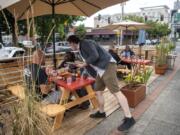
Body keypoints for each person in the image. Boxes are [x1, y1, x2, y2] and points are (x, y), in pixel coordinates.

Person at [67, 35, 135, 131]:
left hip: (108, 66)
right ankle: (101, 112)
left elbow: (95, 55)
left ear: (72, 42)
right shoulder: (81, 48)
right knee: (98, 90)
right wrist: (83, 66)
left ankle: (129, 118)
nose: (69, 46)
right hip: (101, 70)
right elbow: (90, 62)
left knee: (116, 92)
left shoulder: (85, 43)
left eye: (69, 44)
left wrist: (84, 64)